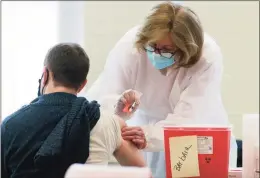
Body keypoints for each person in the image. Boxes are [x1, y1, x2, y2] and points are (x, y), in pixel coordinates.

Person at [86, 2, 238, 178]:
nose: (157, 54)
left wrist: (148, 136)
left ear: (185, 49)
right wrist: (119, 110)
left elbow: (187, 119)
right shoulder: (132, 45)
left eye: (166, 50)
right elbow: (105, 98)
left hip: (194, 134)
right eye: (153, 47)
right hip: (145, 129)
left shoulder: (206, 56)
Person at [1, 43, 146, 178]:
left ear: (45, 75)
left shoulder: (10, 125)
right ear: (83, 84)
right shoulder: (105, 121)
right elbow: (143, 173)